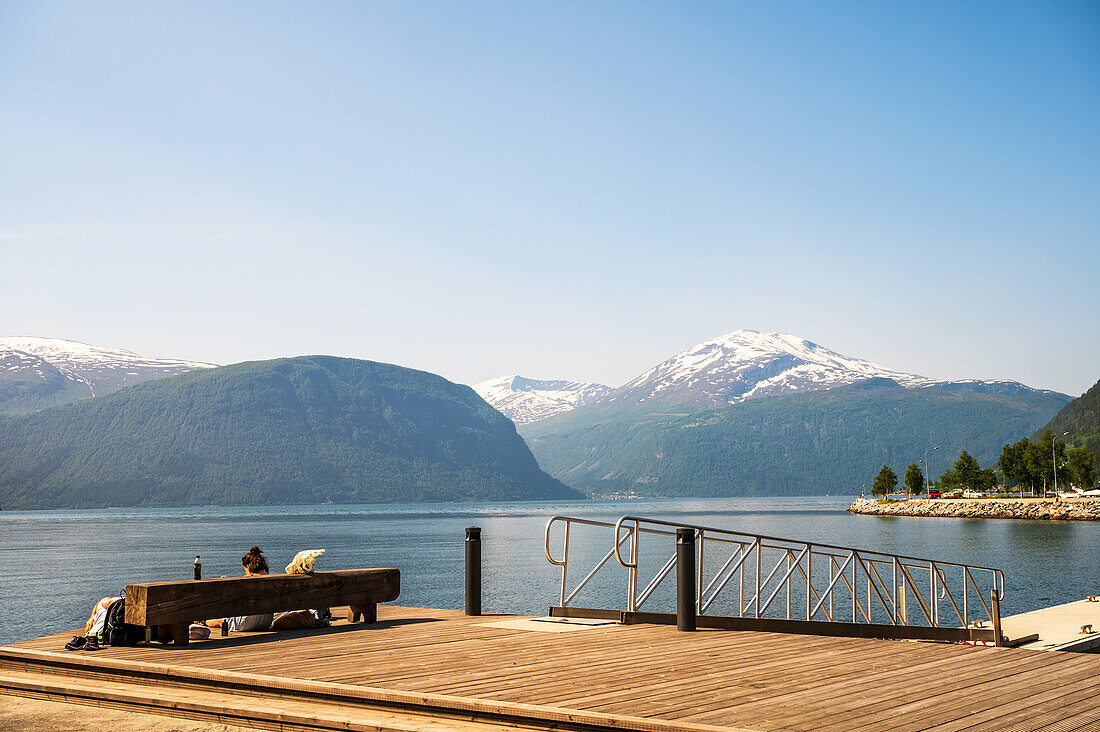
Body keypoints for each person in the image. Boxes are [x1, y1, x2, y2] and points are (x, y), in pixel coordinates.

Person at [204, 546, 275, 632]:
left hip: (245, 623)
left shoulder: (245, 580)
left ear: (247, 566)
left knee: (220, 621)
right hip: (265, 622)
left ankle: (203, 621)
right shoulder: (273, 579)